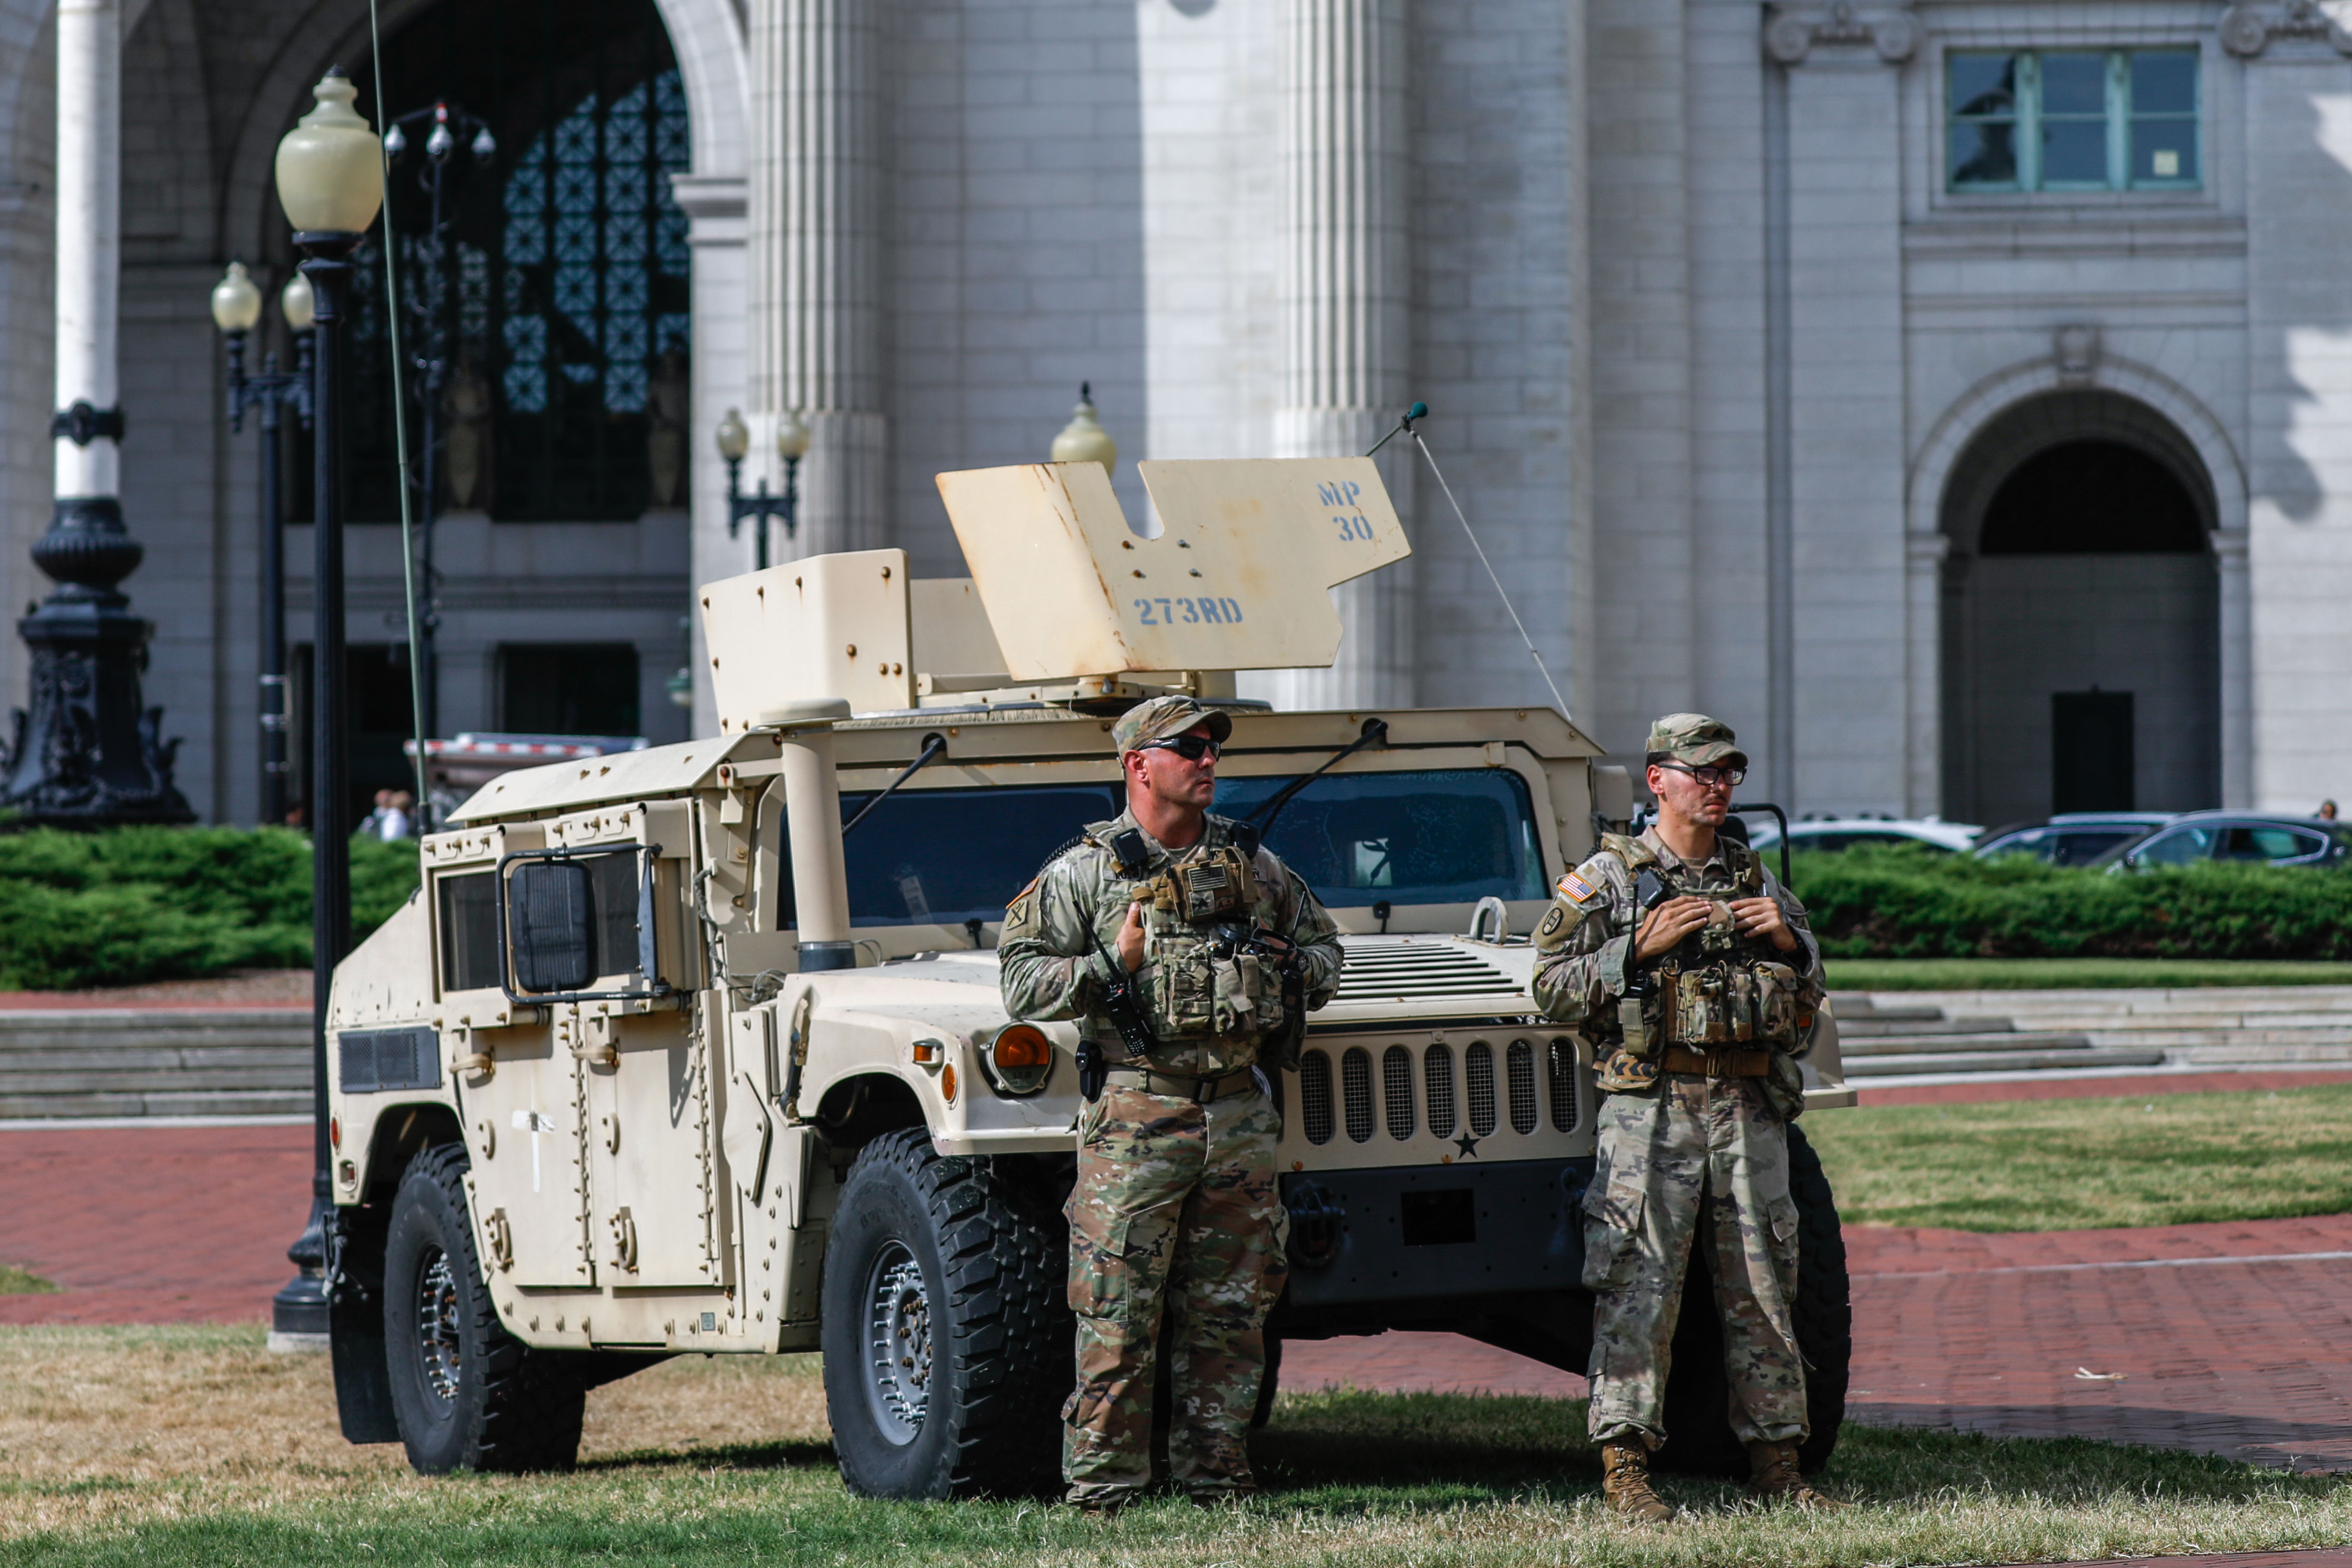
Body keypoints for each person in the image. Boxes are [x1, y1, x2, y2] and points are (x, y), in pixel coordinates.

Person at [998, 694, 1344, 1512]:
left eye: (1213, 748)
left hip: (1236, 1114)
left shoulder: (1256, 867)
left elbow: (1327, 952)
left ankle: (1216, 1480)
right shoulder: (1084, 872)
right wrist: (1108, 965)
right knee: (1117, 1310)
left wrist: (1291, 967)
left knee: (1232, 1309)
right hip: (1135, 1117)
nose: (1208, 760)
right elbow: (1019, 982)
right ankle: (1104, 1489)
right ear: (1138, 765)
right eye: (1188, 748)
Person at [1532, 713, 1838, 1520]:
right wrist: (1628, 951)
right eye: (1701, 772)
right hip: (1651, 1110)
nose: (1717, 787)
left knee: (1766, 1285)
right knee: (1638, 1285)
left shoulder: (1756, 880)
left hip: (1746, 1106)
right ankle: (1625, 1472)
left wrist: (1790, 950)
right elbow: (1545, 989)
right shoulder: (1608, 879)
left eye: (1727, 774)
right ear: (1656, 779)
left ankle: (1778, 1463)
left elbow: (1806, 1006)